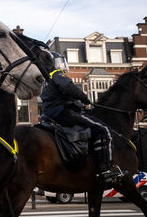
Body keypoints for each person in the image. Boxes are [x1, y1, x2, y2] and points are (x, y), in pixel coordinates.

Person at [40, 51, 121, 183]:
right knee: (104, 129)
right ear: (53, 64)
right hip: (64, 112)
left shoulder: (46, 80)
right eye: (59, 62)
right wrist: (85, 99)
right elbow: (69, 87)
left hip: (52, 114)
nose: (61, 65)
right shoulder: (57, 74)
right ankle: (105, 169)